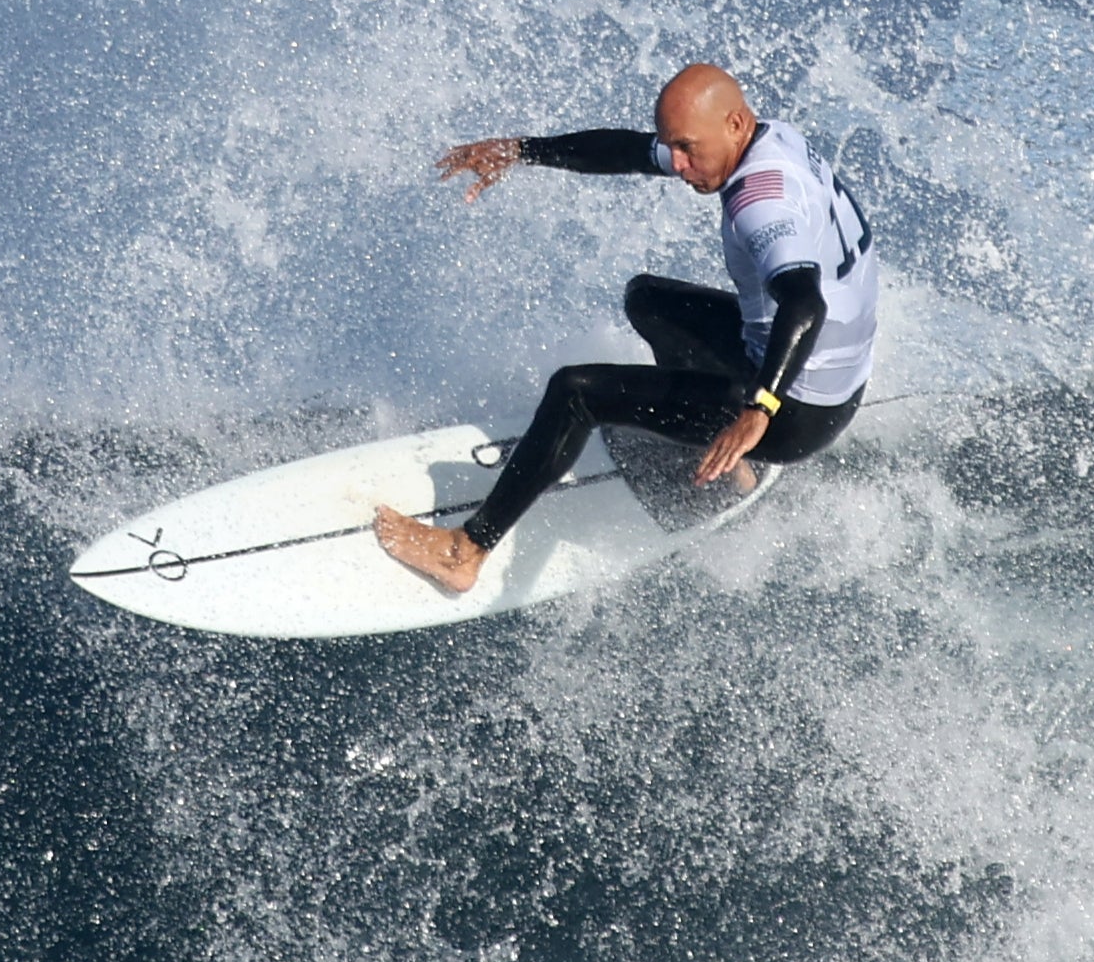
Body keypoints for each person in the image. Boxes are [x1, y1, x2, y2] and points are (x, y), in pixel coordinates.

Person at [375, 63, 878, 592]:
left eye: (686, 149)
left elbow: (804, 304)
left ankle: (465, 551)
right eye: (674, 148)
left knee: (576, 393)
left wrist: (759, 410)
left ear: (733, 123)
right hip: (835, 372)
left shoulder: (760, 201)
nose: (679, 166)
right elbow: (630, 153)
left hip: (798, 409)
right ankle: (725, 467)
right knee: (649, 301)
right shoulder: (768, 139)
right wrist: (522, 151)